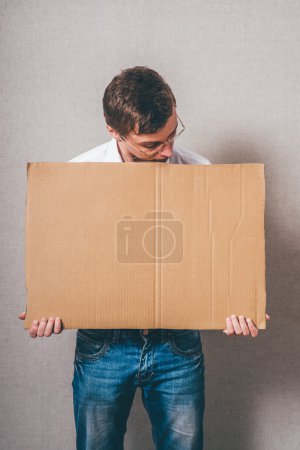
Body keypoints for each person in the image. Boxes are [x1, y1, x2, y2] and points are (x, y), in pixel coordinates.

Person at [19, 66, 270, 450]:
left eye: (172, 135)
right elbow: (60, 263)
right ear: (113, 131)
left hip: (177, 347)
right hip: (104, 346)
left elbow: (221, 264)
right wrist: (48, 306)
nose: (167, 151)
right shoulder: (75, 181)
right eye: (151, 145)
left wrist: (238, 305)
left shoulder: (201, 176)